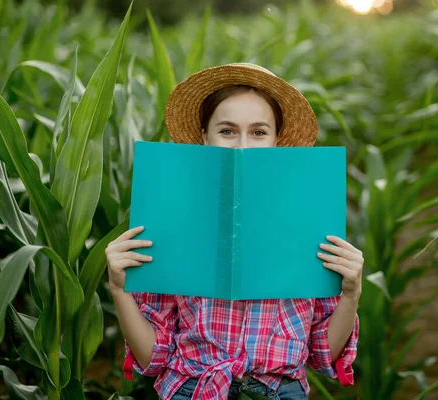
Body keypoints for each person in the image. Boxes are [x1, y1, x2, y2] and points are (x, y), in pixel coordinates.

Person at [105, 63, 363, 400]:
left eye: (259, 132)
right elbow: (152, 358)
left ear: (277, 140)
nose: (242, 145)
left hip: (281, 392)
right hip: (191, 389)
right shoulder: (171, 218)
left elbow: (322, 355)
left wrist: (351, 294)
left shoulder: (310, 218)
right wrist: (119, 289)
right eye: (227, 131)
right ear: (204, 138)